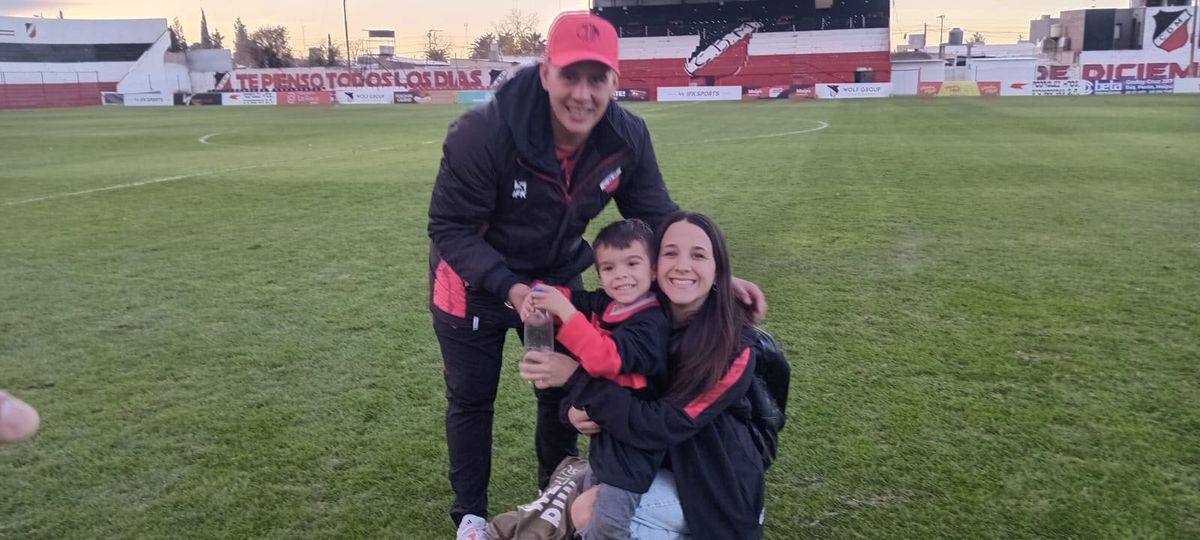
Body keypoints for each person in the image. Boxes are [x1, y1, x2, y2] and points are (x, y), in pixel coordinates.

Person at [427, 11, 767, 539]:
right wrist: (510, 289)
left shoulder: (625, 137)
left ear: (614, 79)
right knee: (472, 399)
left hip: (557, 283)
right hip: (469, 285)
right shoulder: (483, 134)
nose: (583, 94)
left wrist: (719, 275)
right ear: (546, 74)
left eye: (597, 78)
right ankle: (469, 515)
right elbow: (450, 227)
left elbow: (658, 215)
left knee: (560, 393)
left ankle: (553, 496)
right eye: (570, 76)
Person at [521, 212, 789, 539]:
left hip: (714, 488)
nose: (682, 265)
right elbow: (608, 382)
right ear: (655, 265)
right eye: (671, 253)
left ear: (718, 269)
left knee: (589, 508)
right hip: (653, 462)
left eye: (699, 255)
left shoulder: (734, 349)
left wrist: (578, 380)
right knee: (587, 500)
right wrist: (574, 410)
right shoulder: (641, 310)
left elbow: (657, 425)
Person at [523, 219, 671, 539]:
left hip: (634, 450)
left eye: (633, 263)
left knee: (608, 525)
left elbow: (605, 359)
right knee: (585, 503)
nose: (621, 275)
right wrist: (542, 294)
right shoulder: (611, 304)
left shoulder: (650, 321)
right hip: (606, 438)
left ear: (655, 269)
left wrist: (565, 310)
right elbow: (581, 302)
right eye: (609, 268)